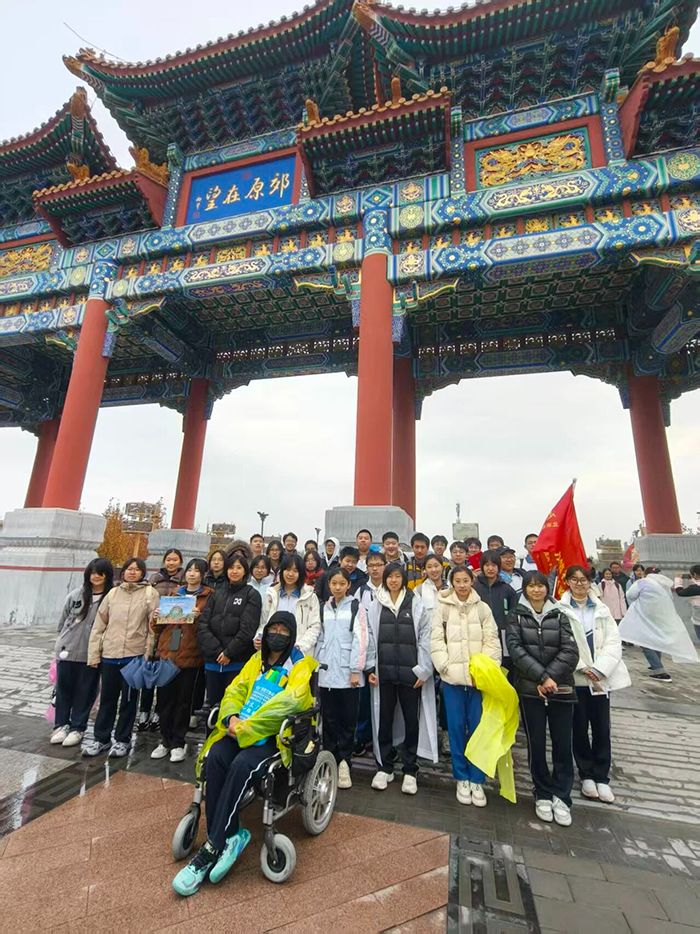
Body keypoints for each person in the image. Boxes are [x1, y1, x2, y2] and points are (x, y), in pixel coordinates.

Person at [172, 611, 316, 897]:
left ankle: (211, 848)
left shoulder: (299, 666)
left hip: (272, 738)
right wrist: (231, 718)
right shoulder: (255, 661)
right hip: (239, 729)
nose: (277, 635)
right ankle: (231, 834)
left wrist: (249, 727)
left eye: (283, 631)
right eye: (273, 629)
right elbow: (235, 691)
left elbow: (289, 704)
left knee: (241, 765)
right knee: (215, 757)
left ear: (292, 636)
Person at [506, 571, 579, 826]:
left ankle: (562, 794)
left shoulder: (560, 614)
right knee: (536, 743)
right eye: (531, 586)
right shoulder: (516, 615)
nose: (536, 590)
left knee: (562, 742)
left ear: (547, 589)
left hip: (560, 688)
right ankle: (542, 792)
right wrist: (541, 677)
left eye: (540, 586)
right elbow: (516, 650)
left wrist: (550, 678)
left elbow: (571, 650)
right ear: (524, 589)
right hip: (530, 689)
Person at [559, 565, 631, 804]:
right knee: (578, 727)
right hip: (576, 677)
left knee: (601, 728)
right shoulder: (560, 610)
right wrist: (582, 666)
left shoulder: (602, 609)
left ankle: (602, 776)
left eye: (583, 580)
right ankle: (586, 774)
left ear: (590, 582)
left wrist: (600, 668)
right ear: (567, 582)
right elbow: (562, 642)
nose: (579, 584)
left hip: (600, 678)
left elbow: (613, 641)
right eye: (574, 579)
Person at [431, 566, 501, 806]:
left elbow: (492, 641)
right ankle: (461, 777)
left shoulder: (482, 608)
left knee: (479, 729)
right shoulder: (442, 607)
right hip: (452, 680)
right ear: (452, 583)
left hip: (477, 681)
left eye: (465, 580)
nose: (462, 585)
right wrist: (445, 667)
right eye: (457, 581)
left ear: (472, 581)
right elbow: (436, 640)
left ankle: (477, 779)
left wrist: (485, 670)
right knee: (456, 728)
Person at [367, 562, 437, 794]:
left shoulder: (415, 603)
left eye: (398, 576)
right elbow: (370, 636)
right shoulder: (377, 603)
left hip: (410, 674)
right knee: (384, 719)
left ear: (403, 579)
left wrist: (424, 669)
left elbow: (426, 637)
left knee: (411, 721)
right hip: (384, 674)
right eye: (390, 576)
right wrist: (370, 668)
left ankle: (410, 769)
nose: (394, 580)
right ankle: (385, 766)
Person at [83, 558, 159, 757]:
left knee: (128, 701)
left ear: (143, 573)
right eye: (129, 569)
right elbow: (99, 625)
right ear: (123, 572)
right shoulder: (113, 593)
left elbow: (152, 628)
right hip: (110, 653)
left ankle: (123, 740)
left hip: (134, 655)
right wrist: (94, 654)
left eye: (137, 569)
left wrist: (148, 655)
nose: (132, 572)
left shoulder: (150, 594)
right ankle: (101, 739)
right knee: (107, 699)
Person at [150, 558, 212, 762]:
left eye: (197, 571)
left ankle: (178, 741)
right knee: (164, 699)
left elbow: (209, 626)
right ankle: (164, 740)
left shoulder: (208, 597)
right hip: (168, 652)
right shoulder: (174, 594)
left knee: (183, 701)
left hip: (190, 655)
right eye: (190, 570)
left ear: (203, 574)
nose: (192, 574)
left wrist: (199, 617)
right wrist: (156, 616)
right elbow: (157, 628)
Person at [317, 567, 374, 789]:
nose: (338, 587)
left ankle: (344, 762)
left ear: (348, 585)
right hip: (327, 672)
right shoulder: (324, 608)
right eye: (334, 583)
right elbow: (320, 638)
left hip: (348, 674)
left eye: (342, 583)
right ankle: (329, 760)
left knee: (348, 720)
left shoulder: (355, 607)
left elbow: (361, 639)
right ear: (329, 585)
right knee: (329, 719)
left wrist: (355, 670)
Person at [51, 558, 114, 748]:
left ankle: (78, 727)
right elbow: (63, 622)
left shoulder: (111, 597)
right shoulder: (76, 595)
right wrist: (61, 642)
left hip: (92, 653)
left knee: (85, 691)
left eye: (100, 573)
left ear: (107, 575)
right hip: (68, 650)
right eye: (92, 572)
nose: (96, 576)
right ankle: (61, 725)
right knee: (63, 689)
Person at [197, 554, 262, 712]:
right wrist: (217, 651)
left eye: (239, 568)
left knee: (231, 708)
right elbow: (203, 624)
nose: (234, 571)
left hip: (237, 661)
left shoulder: (251, 594)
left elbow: (247, 629)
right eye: (231, 567)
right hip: (213, 661)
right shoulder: (216, 593)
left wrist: (228, 653)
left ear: (245, 571)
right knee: (211, 707)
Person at [619, 567, 699, 682]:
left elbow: (630, 595)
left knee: (645, 642)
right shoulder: (665, 585)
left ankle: (659, 670)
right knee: (655, 639)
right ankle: (656, 664)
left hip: (645, 616)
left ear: (646, 574)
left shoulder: (642, 582)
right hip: (661, 616)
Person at [139, 548, 186, 731]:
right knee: (149, 670)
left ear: (180, 562)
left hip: (174, 630)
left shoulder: (183, 580)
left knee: (165, 671)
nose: (171, 563)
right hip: (155, 628)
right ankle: (144, 710)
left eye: (175, 559)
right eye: (168, 559)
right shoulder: (154, 579)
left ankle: (160, 710)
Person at [259, 553, 321, 655]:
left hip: (299, 653)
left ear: (301, 573)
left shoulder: (310, 596)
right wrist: (259, 637)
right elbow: (264, 622)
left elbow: (314, 627)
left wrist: (299, 647)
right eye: (287, 570)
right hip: (273, 650)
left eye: (295, 571)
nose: (290, 574)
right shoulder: (272, 594)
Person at [474, 550, 518, 665]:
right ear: (482, 567)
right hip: (479, 634)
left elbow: (514, 613)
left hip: (502, 634)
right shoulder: (474, 588)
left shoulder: (507, 589)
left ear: (498, 567)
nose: (490, 569)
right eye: (487, 565)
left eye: (494, 565)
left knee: (503, 666)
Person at [674, 565, 700, 640]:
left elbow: (680, 592)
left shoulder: (693, 589)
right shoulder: (695, 588)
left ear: (694, 574)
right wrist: (693, 578)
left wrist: (678, 579)